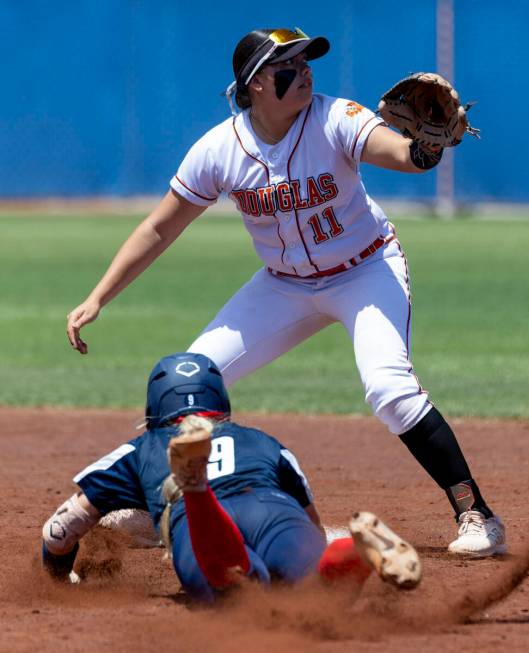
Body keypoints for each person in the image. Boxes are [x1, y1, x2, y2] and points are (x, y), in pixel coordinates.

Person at [65, 28, 506, 556]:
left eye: (306, 62)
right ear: (254, 85)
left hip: (365, 272)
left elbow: (403, 155)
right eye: (288, 66)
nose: (305, 72)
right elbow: (160, 227)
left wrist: (427, 147)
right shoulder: (220, 149)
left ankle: (476, 513)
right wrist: (98, 297)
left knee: (389, 390)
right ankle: (151, 507)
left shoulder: (335, 118)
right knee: (187, 380)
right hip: (283, 285)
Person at [41, 352, 422, 600]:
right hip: (272, 509)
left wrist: (57, 579)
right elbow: (312, 522)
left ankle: (195, 486)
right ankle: (354, 552)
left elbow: (59, 531)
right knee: (317, 589)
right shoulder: (263, 440)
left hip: (199, 526)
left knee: (238, 590)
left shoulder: (141, 448)